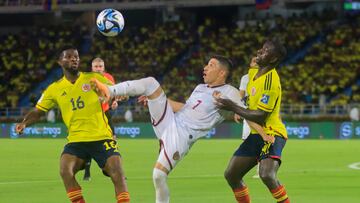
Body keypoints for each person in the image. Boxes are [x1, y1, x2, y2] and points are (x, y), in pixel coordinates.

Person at [90, 54, 274, 203]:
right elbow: (184, 108)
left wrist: (265, 135)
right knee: (151, 84)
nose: (205, 67)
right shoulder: (200, 87)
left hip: (182, 136)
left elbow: (244, 114)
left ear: (222, 73)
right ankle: (109, 90)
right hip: (170, 121)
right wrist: (155, 100)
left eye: (211, 65)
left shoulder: (230, 92)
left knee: (158, 175)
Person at [15, 47, 130, 203]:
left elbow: (117, 90)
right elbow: (38, 110)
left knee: (118, 172)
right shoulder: (54, 89)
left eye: (76, 57)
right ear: (60, 62)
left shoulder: (94, 78)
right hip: (76, 140)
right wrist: (24, 123)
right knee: (65, 170)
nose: (74, 59)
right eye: (68, 57)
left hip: (102, 137)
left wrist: (118, 94)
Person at [214, 37, 290, 203]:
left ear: (274, 58)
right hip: (256, 134)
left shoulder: (271, 81)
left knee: (266, 174)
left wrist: (231, 106)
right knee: (231, 174)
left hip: (272, 133)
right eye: (261, 49)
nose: (259, 52)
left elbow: (259, 115)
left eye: (264, 51)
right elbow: (247, 103)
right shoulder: (253, 74)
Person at [83, 57, 119, 181]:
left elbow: (114, 92)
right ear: (91, 68)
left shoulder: (109, 78)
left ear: (104, 67)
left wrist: (114, 101)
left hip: (105, 112)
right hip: (91, 115)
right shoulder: (86, 79)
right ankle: (87, 171)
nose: (98, 69)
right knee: (88, 142)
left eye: (100, 66)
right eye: (96, 67)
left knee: (112, 141)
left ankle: (116, 171)